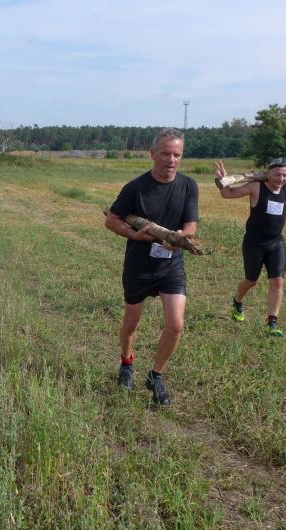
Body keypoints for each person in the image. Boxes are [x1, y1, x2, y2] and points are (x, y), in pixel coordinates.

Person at [104, 128, 199, 405]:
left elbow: (191, 225)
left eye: (177, 155)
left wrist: (179, 237)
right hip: (139, 265)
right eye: (166, 153)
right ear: (153, 154)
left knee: (176, 324)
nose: (171, 160)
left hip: (171, 264)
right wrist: (134, 235)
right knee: (131, 323)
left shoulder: (188, 186)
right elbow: (111, 220)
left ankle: (156, 375)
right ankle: (126, 364)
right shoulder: (135, 188)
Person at [215, 157, 286, 337]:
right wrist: (222, 180)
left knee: (277, 281)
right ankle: (238, 301)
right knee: (251, 281)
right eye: (277, 174)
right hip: (254, 243)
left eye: (285, 175)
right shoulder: (256, 187)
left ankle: (272, 322)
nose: (281, 178)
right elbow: (227, 194)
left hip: (276, 242)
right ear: (268, 174)